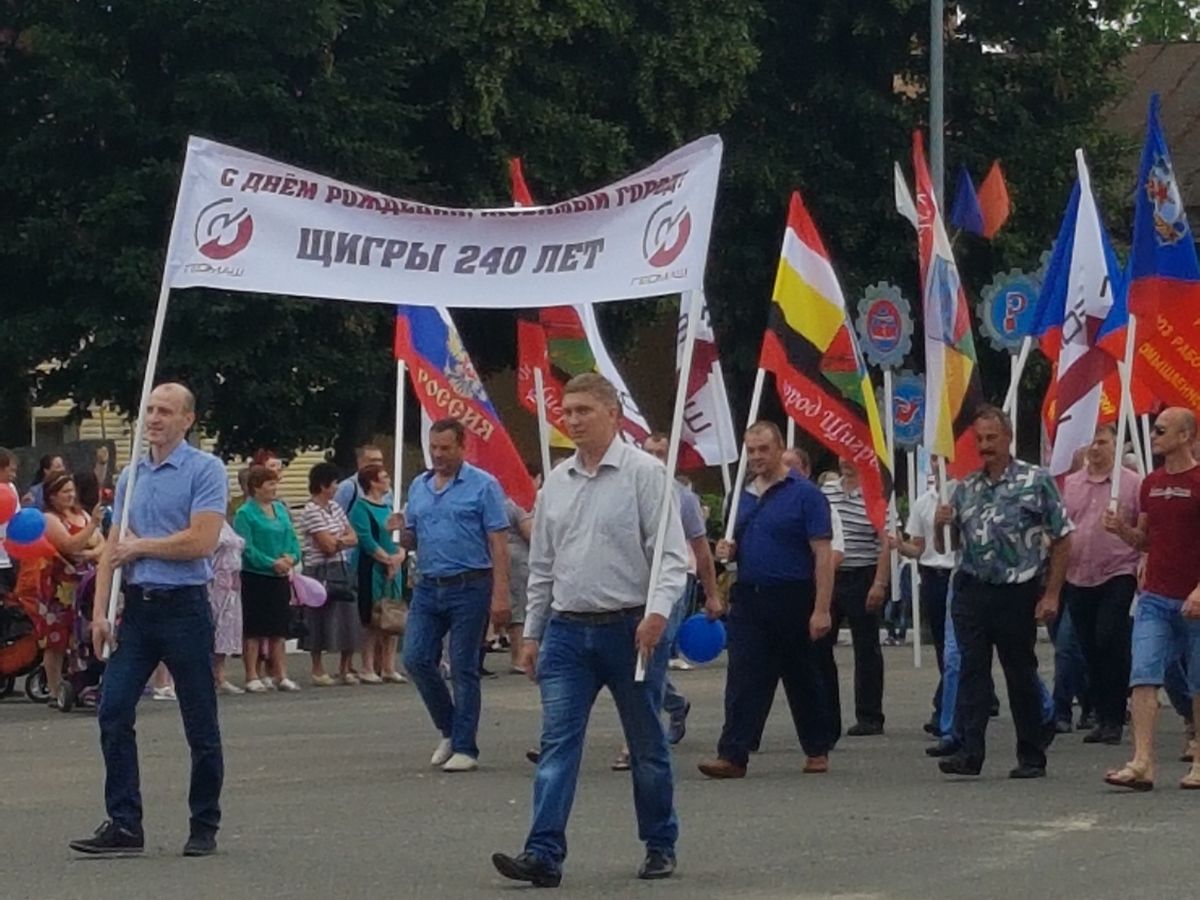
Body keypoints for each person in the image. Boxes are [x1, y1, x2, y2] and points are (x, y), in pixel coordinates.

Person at [492, 374, 688, 886]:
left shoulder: (646, 474)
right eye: (567, 411)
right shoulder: (556, 482)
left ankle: (660, 842)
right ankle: (542, 853)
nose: (573, 420)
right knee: (557, 743)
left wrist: (658, 613)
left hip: (630, 629)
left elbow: (670, 556)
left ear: (612, 414)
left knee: (645, 745)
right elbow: (543, 563)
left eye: (583, 410)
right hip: (567, 631)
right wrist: (532, 632)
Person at [70, 383, 227, 858]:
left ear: (187, 420)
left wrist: (143, 546)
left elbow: (201, 541)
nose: (154, 419)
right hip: (138, 610)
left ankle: (204, 822)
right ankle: (124, 822)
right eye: (149, 410)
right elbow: (111, 551)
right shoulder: (131, 477)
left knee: (199, 721)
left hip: (184, 608)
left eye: (164, 411)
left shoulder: (206, 470)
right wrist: (99, 613)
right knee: (113, 709)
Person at [934, 406, 1072, 779]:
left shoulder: (1035, 480)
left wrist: (1052, 594)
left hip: (1016, 590)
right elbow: (948, 545)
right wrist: (940, 523)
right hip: (972, 588)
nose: (985, 446)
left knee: (1019, 672)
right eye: (979, 439)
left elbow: (1062, 536)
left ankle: (1031, 753)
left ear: (1008, 437)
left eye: (991, 438)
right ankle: (969, 750)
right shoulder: (966, 487)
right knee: (971, 671)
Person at [697, 422, 834, 780]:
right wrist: (726, 550)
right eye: (751, 450)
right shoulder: (739, 497)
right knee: (743, 676)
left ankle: (817, 747)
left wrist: (821, 608)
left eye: (763, 449)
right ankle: (733, 753)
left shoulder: (805, 495)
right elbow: (731, 552)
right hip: (750, 596)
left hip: (794, 595)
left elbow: (822, 553)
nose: (757, 457)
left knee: (801, 675)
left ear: (779, 449)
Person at [401, 418, 510, 773]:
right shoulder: (419, 485)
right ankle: (449, 727)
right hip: (429, 584)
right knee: (416, 658)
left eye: (446, 448)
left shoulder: (484, 486)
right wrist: (401, 531)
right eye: (434, 448)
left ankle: (466, 746)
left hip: (470, 584)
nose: (438, 455)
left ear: (462, 447)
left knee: (463, 666)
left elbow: (498, 542)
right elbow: (412, 538)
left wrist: (501, 594)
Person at [1102, 407, 1200, 790]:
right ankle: (1142, 760)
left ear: (1185, 436)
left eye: (1161, 430)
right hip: (1155, 596)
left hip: (1194, 600)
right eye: (1154, 429)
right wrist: (1121, 530)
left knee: (1197, 682)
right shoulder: (1151, 484)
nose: (1154, 436)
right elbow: (1146, 539)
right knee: (1143, 673)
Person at [1060, 424, 1139, 745]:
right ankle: (1100, 712)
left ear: (1115, 446)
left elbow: (1143, 528)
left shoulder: (1131, 484)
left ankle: (1115, 717)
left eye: (1102, 442)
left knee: (1110, 639)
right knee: (1088, 645)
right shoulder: (1071, 484)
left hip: (1118, 571)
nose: (1095, 448)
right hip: (1078, 573)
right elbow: (1062, 526)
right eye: (1091, 443)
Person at [642, 433, 722, 747]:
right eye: (650, 452)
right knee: (633, 660)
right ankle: (674, 703)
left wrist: (713, 594)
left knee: (653, 653)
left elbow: (702, 551)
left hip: (675, 582)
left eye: (661, 454)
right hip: (636, 585)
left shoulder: (683, 498)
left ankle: (638, 739)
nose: (655, 459)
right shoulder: (631, 490)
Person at [821, 459, 890, 737]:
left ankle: (870, 715)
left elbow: (886, 541)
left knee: (867, 648)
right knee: (821, 646)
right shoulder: (827, 492)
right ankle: (825, 714)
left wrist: (879, 583)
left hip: (864, 574)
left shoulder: (877, 494)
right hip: (832, 575)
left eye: (853, 457)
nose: (846, 463)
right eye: (842, 457)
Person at [22, 474, 104, 704]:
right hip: (58, 585)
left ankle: (81, 681)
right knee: (56, 637)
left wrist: (90, 553)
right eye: (64, 492)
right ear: (52, 496)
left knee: (82, 633)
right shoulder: (50, 518)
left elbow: (102, 544)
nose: (70, 496)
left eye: (71, 490)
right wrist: (93, 526)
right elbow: (68, 545)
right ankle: (56, 688)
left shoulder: (82, 515)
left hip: (85, 582)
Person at [893, 465, 957, 735]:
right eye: (934, 458)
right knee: (944, 645)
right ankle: (953, 699)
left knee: (958, 647)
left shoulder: (963, 493)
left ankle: (943, 707)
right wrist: (899, 544)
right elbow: (918, 548)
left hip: (959, 573)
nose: (937, 463)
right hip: (933, 575)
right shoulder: (923, 502)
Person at [233, 465, 302, 693]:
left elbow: (292, 538)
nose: (274, 488)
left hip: (280, 576)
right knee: (254, 627)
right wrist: (271, 562)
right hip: (256, 576)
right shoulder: (245, 513)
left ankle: (280, 674)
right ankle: (252, 674)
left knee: (278, 627)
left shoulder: (280, 509)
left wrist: (291, 557)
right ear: (256, 487)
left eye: (275, 483)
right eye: (270, 483)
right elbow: (246, 548)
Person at [297, 462, 362, 686]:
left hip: (341, 566)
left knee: (348, 615)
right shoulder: (310, 511)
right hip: (319, 570)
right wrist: (341, 540)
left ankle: (345, 667)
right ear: (323, 485)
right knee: (318, 617)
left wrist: (340, 541)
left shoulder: (335, 508)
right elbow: (325, 545)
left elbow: (353, 536)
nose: (336, 487)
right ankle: (317, 668)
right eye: (334, 483)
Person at [348, 463, 407, 684]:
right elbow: (366, 539)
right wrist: (387, 559)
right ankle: (367, 666)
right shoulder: (360, 508)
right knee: (372, 616)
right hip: (371, 567)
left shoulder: (389, 507)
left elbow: (399, 537)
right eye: (384, 477)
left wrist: (400, 555)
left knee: (392, 614)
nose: (388, 480)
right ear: (372, 482)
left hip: (393, 566)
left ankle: (389, 666)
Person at [209, 520, 245, 695]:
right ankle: (207, 676)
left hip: (231, 583)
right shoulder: (204, 522)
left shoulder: (225, 523)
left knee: (226, 628)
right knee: (210, 627)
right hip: (213, 581)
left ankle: (220, 675)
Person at [504, 493, 534, 674]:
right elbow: (530, 532)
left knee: (516, 606)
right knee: (520, 607)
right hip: (517, 559)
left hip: (497, 557)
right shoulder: (514, 503)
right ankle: (518, 657)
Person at [334, 445, 391, 515]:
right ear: (360, 462)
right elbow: (335, 516)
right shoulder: (348, 487)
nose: (378, 464)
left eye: (380, 460)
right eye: (373, 460)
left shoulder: (386, 488)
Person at [0, 447, 19, 594]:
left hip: (8, 558)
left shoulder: (11, 489)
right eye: (10, 470)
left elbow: (17, 519)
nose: (14, 475)